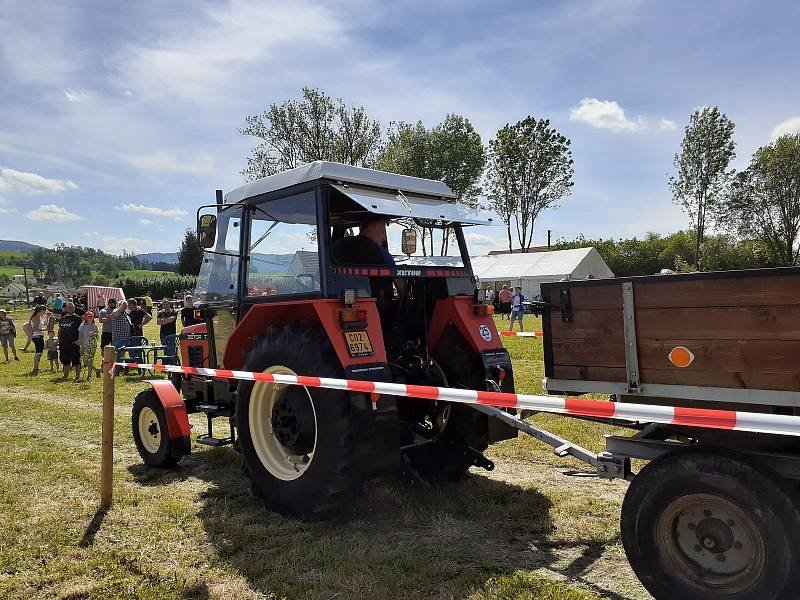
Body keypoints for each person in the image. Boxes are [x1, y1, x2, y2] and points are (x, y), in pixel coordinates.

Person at [58, 302, 82, 381]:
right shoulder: (63, 318)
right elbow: (60, 330)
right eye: (69, 307)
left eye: (73, 307)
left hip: (74, 343)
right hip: (63, 343)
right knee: (64, 360)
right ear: (66, 308)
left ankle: (77, 376)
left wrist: (79, 340)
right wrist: (58, 340)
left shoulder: (78, 318)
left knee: (76, 360)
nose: (71, 309)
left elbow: (81, 331)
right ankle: (65, 375)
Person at [78, 311, 100, 380]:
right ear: (86, 317)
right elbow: (80, 337)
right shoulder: (82, 326)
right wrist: (81, 346)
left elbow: (97, 336)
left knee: (90, 360)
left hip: (93, 346)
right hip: (84, 345)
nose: (90, 318)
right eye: (88, 317)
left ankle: (89, 376)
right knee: (86, 361)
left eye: (91, 316)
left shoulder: (95, 326)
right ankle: (96, 370)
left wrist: (94, 334)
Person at [28, 305, 48, 374]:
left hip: (38, 336)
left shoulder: (39, 317)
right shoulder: (36, 318)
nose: (45, 312)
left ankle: (36, 367)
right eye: (45, 310)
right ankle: (35, 367)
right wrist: (44, 329)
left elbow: (44, 323)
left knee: (39, 352)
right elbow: (35, 329)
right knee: (38, 352)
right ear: (41, 310)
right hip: (37, 336)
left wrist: (47, 318)